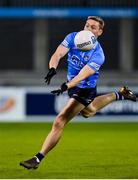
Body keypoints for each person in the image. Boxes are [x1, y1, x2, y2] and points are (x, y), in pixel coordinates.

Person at [20, 16, 137, 169]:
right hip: (73, 86)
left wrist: (65, 86)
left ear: (99, 32)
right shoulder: (73, 37)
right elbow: (58, 54)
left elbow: (82, 76)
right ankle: (120, 94)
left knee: (60, 121)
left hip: (84, 89)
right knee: (89, 111)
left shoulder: (98, 55)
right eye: (87, 25)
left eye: (93, 27)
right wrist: (52, 68)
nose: (88, 29)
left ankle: (37, 158)